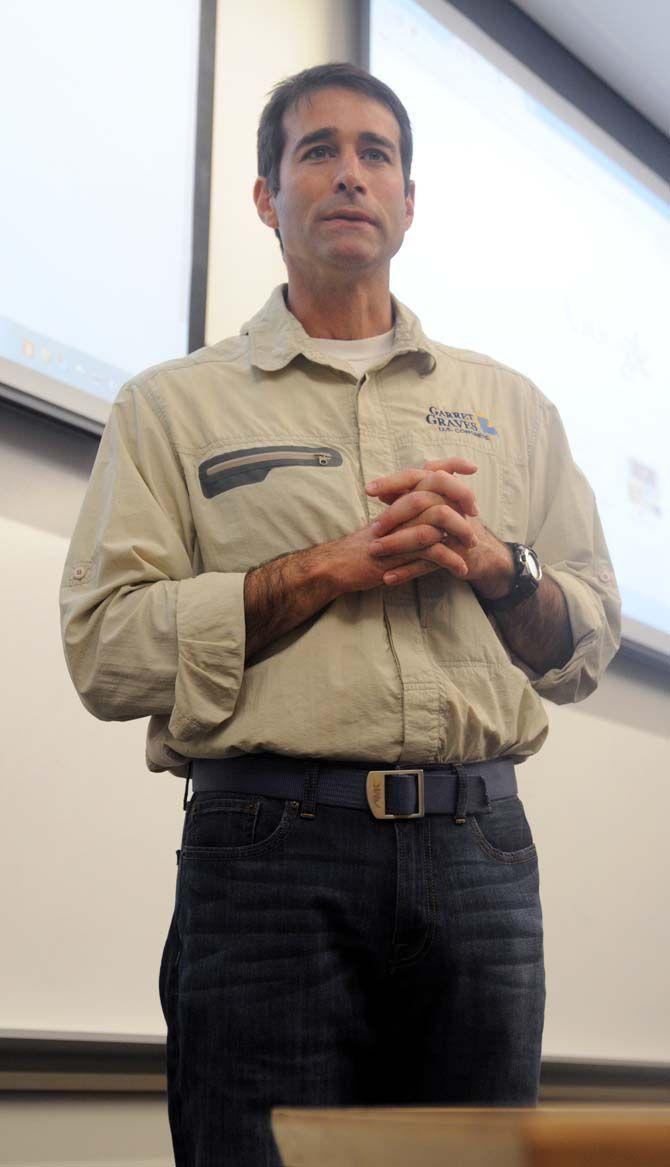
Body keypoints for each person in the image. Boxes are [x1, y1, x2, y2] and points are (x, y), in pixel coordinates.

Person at [60, 61, 621, 1166]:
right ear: (268, 198)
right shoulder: (168, 407)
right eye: (317, 151)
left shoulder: (515, 408)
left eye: (377, 154)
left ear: (410, 199)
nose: (351, 174)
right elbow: (105, 650)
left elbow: (584, 644)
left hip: (480, 855)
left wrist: (500, 569)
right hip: (267, 855)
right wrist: (322, 569)